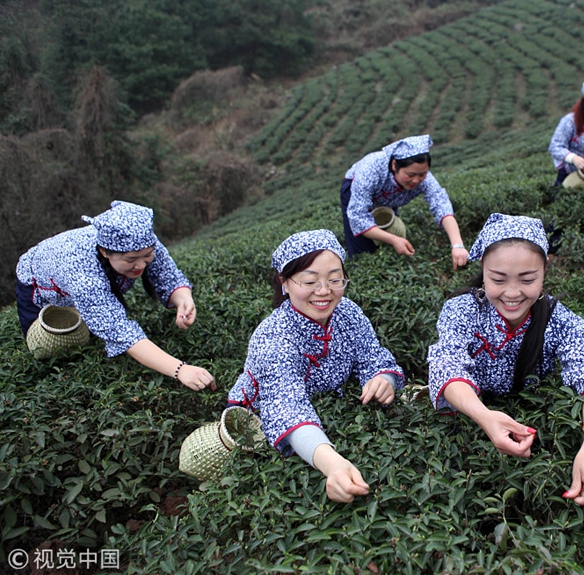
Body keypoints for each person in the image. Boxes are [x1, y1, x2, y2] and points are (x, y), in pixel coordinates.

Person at [427, 213, 584, 509]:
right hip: (468, 428)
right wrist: (484, 416)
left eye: (528, 279)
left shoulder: (561, 320)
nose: (513, 293)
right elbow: (447, 364)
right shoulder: (461, 310)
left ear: (545, 271)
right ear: (483, 270)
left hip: (533, 428)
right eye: (498, 279)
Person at [227, 230, 405, 503]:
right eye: (310, 281)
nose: (324, 291)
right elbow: (287, 408)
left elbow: (372, 355)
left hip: (329, 402)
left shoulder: (348, 312)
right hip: (263, 419)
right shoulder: (273, 336)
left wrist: (384, 379)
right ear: (285, 282)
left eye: (335, 279)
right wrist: (331, 463)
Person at [15, 201, 215, 391]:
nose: (141, 265)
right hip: (39, 281)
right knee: (48, 350)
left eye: (147, 256)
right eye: (131, 259)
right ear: (104, 251)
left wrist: (184, 300)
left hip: (82, 279)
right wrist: (181, 370)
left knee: (90, 332)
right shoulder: (81, 272)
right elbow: (121, 332)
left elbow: (168, 274)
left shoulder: (140, 238)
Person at [340, 134, 468, 269]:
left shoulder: (423, 179)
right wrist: (394, 240)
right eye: (410, 175)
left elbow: (441, 203)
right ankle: (363, 270)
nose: (416, 181)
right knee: (363, 245)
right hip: (357, 191)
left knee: (388, 228)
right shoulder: (369, 172)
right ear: (395, 165)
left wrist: (457, 245)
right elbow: (358, 217)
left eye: (422, 174)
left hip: (389, 197)